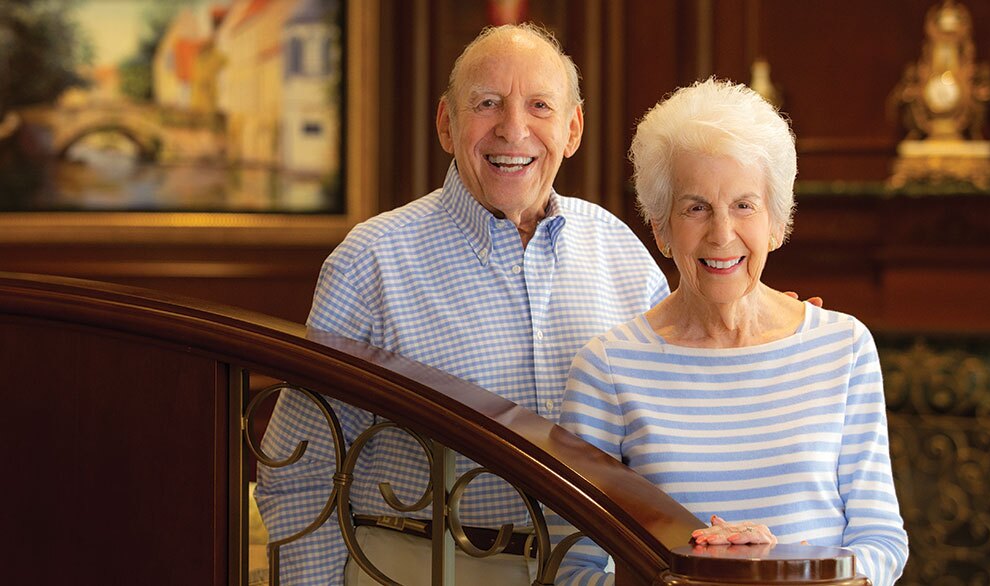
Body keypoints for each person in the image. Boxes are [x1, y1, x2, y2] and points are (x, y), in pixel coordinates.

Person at [255, 23, 671, 585]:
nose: (513, 129)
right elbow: (300, 472)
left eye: (540, 106)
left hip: (595, 574)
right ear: (447, 124)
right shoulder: (372, 261)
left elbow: (673, 428)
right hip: (421, 569)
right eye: (488, 103)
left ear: (572, 129)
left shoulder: (621, 251)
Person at [551, 78, 908, 586]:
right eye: (695, 207)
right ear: (661, 229)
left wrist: (788, 570)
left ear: (777, 224)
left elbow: (882, 543)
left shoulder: (843, 347)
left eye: (745, 205)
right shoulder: (607, 366)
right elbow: (573, 569)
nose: (722, 234)